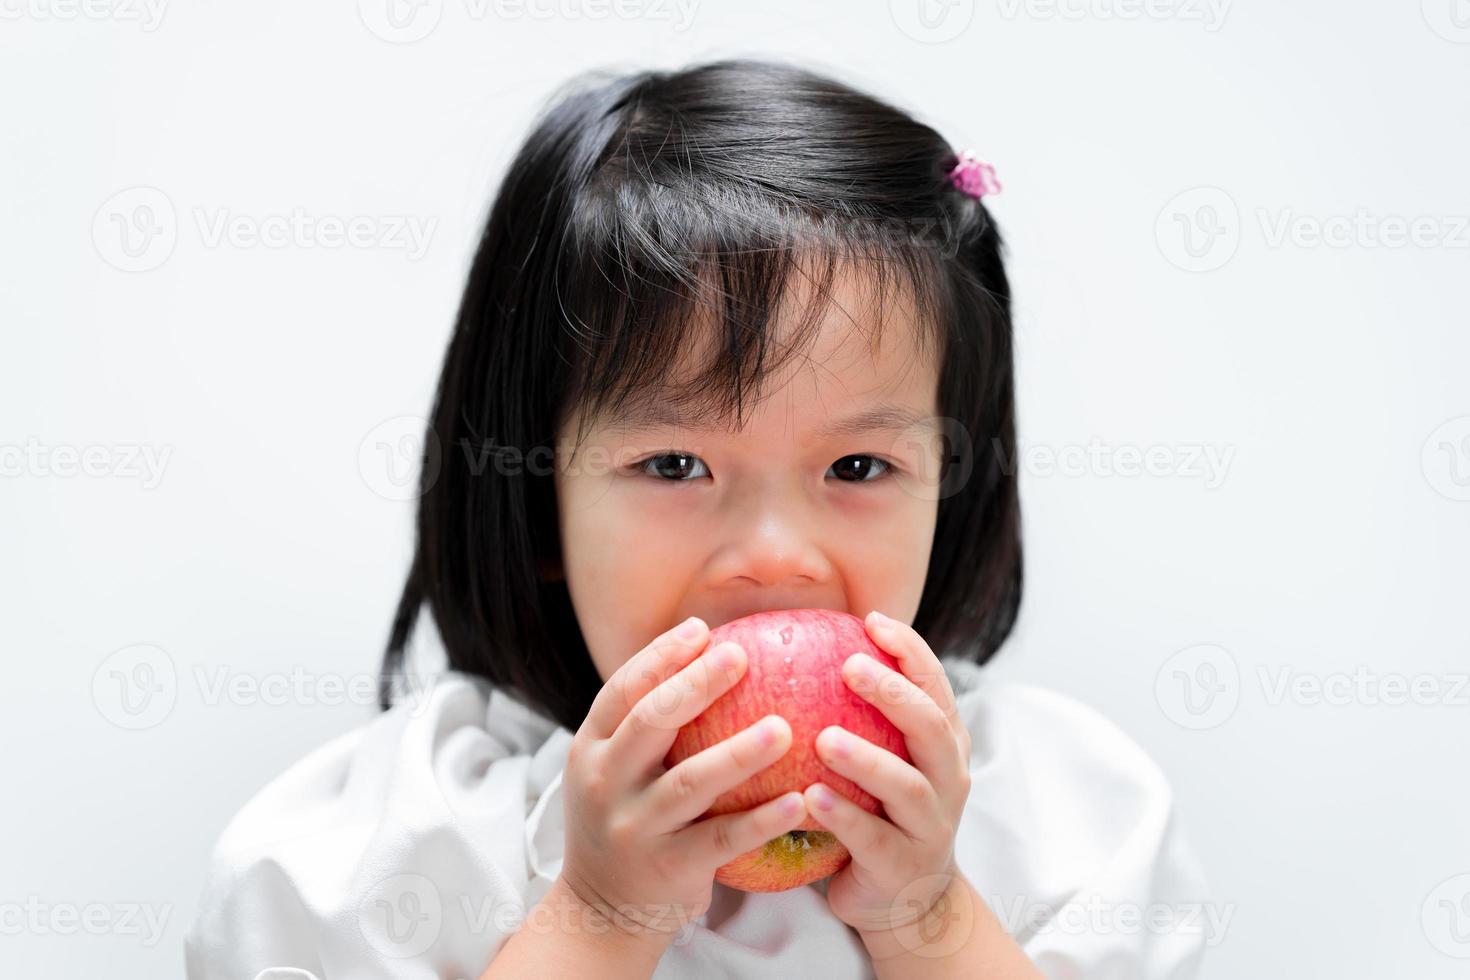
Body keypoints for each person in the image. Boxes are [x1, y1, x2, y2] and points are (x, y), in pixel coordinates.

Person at [185, 58, 1209, 979]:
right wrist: (598, 914)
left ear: (954, 488)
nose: (774, 557)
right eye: (675, 462)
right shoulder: (387, 847)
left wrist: (927, 914)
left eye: (858, 464)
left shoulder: (1058, 815)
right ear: (537, 500)